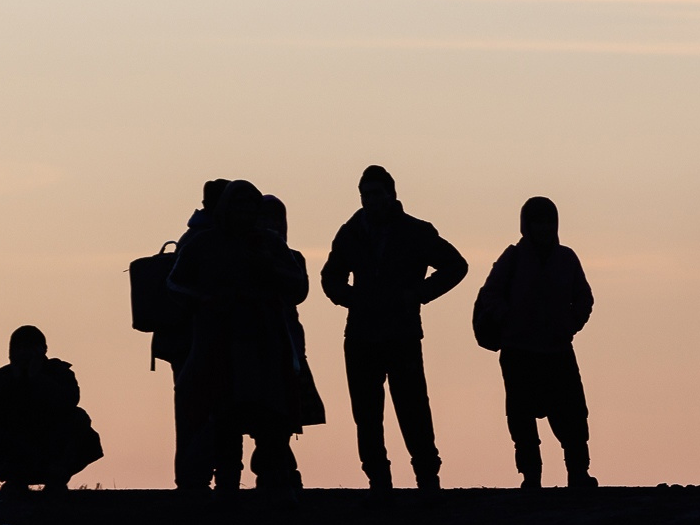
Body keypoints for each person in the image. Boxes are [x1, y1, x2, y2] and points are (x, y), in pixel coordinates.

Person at [321, 165, 468, 494]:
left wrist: (417, 295)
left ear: (391, 194)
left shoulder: (415, 232)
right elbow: (330, 277)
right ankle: (379, 481)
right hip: (361, 336)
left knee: (413, 409)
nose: (371, 200)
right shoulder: (351, 232)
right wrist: (352, 299)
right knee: (367, 416)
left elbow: (456, 266)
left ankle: (427, 478)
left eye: (376, 194)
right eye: (365, 195)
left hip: (401, 335)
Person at [168, 181, 314, 496]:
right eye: (239, 205)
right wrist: (205, 301)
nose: (245, 212)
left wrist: (269, 269)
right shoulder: (203, 244)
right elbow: (175, 285)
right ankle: (227, 490)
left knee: (272, 425)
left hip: (266, 348)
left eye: (251, 206)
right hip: (218, 349)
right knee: (224, 424)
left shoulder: (271, 245)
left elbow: (298, 288)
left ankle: (274, 492)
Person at [472, 196, 597, 489]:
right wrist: (511, 319)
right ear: (526, 225)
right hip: (519, 353)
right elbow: (490, 295)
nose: (542, 228)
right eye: (536, 221)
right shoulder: (513, 258)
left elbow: (584, 298)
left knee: (573, 417)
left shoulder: (567, 258)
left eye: (547, 221)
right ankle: (531, 475)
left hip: (557, 351)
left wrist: (569, 325)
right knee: (522, 420)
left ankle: (578, 473)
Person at [157, 179, 229, 491]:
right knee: (205, 412)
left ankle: (192, 478)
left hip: (183, 341)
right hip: (195, 341)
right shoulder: (204, 242)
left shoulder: (193, 237)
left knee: (191, 412)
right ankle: (194, 478)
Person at [0, 325, 102, 492]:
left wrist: (38, 379)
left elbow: (69, 400)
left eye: (30, 347)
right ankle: (15, 478)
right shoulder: (3, 376)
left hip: (51, 444)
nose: (24, 353)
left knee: (80, 418)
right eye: (19, 348)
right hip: (16, 446)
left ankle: (56, 477)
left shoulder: (58, 372)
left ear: (42, 350)